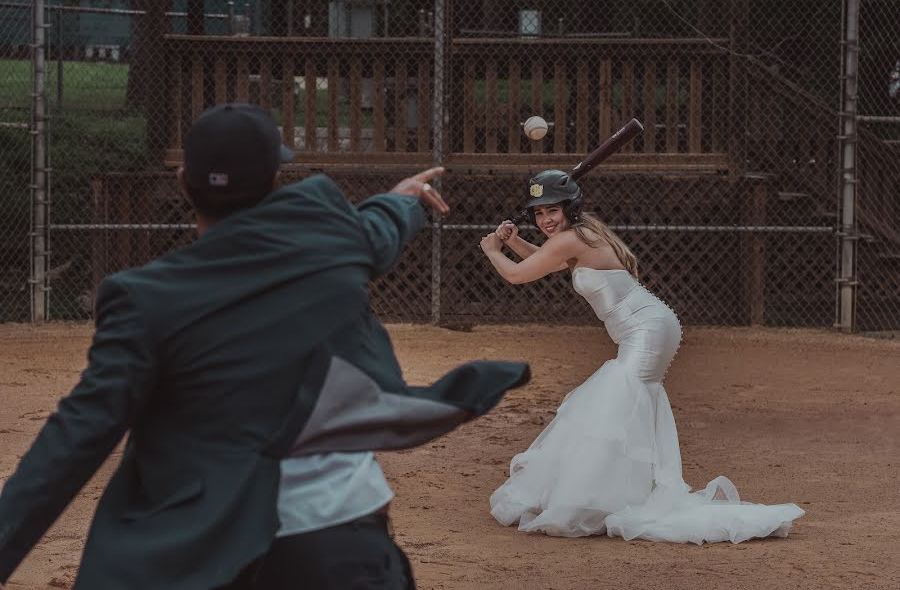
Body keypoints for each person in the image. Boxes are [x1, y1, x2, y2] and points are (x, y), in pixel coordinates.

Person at [0, 103, 530, 590]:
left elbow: (74, 439)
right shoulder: (332, 237)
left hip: (204, 553)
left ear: (184, 183)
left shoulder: (143, 299)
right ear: (277, 180)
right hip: (340, 543)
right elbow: (378, 230)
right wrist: (406, 198)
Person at [479, 169, 804, 543]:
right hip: (650, 325)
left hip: (645, 331)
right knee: (619, 405)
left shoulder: (571, 238)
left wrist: (493, 250)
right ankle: (609, 493)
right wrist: (516, 242)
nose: (545, 219)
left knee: (612, 403)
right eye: (538, 213)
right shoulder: (581, 234)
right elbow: (547, 261)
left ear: (571, 208)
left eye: (552, 210)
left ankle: (598, 497)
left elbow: (519, 275)